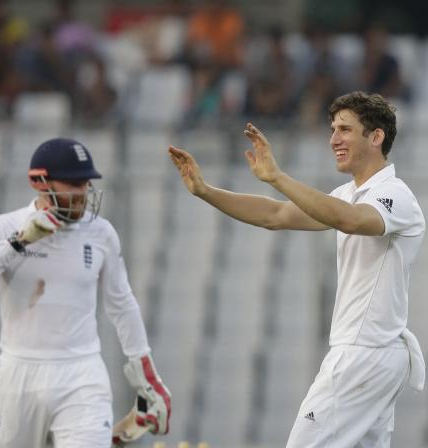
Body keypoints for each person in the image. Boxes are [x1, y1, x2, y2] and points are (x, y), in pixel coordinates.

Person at [168, 91, 425, 447]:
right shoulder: (351, 193)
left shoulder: (394, 194)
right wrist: (205, 191)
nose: (333, 139)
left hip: (363, 355)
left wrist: (277, 177)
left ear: (376, 136)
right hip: (372, 356)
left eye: (345, 130)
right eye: (333, 129)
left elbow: (349, 221)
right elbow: (276, 215)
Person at [0, 137, 171, 447]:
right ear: (40, 182)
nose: (82, 193)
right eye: (72, 184)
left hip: (81, 373)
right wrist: (18, 243)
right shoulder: (5, 227)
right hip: (19, 373)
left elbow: (121, 304)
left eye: (85, 184)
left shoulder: (101, 233)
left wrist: (146, 375)